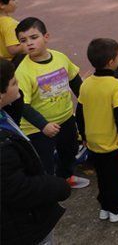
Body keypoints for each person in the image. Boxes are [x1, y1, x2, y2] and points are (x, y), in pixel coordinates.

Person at [1, 58, 71, 245]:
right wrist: (56, 186)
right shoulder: (3, 147)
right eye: (14, 83)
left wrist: (15, 99)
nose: (19, 87)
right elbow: (16, 188)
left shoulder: (4, 113)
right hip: (23, 227)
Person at [14, 18, 89, 188]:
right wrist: (43, 125)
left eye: (34, 37)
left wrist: (87, 102)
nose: (29, 43)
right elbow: (22, 105)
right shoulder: (23, 71)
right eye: (23, 40)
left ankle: (65, 178)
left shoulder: (60, 57)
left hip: (66, 117)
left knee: (69, 151)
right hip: (38, 128)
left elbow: (75, 82)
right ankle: (49, 190)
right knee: (44, 161)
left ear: (46, 36)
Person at [75, 38, 118, 222]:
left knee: (102, 176)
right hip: (111, 143)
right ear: (111, 61)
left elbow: (79, 112)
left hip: (93, 142)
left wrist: (84, 136)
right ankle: (116, 209)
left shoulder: (86, 83)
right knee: (117, 178)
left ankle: (105, 206)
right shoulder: (116, 85)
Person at [0, 0, 24, 64]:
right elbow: (12, 50)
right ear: (2, 4)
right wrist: (27, 43)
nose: (16, 2)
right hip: (11, 64)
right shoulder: (10, 24)